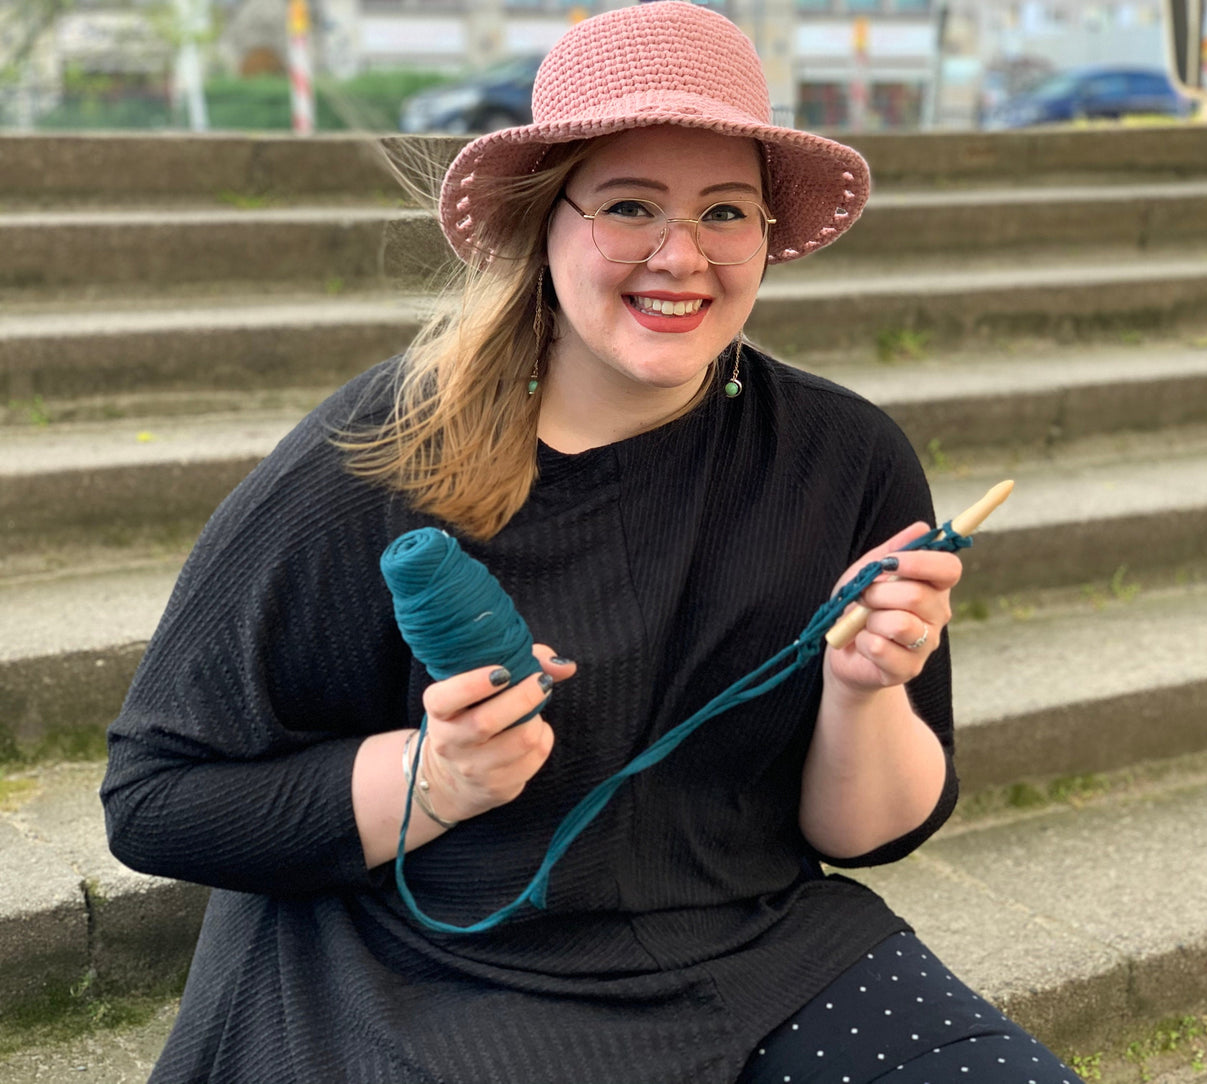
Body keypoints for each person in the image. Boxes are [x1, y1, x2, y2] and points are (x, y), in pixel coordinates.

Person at [102, 4, 1086, 1082]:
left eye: (724, 211)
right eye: (629, 205)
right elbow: (157, 802)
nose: (682, 256)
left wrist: (862, 690)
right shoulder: (375, 458)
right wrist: (432, 778)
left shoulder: (843, 458)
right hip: (427, 962)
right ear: (541, 223)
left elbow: (867, 833)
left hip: (750, 952)